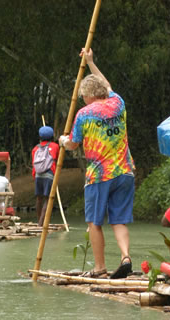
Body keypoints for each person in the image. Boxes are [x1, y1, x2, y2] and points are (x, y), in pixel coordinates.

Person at [58, 48, 136, 279]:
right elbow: (107, 85)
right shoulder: (118, 103)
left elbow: (73, 144)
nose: (82, 99)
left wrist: (63, 141)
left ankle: (100, 267)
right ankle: (125, 257)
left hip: (99, 175)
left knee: (94, 222)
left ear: (90, 94)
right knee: (119, 219)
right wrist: (91, 62)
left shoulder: (84, 113)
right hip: (124, 171)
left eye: (84, 95)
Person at [32, 126, 60, 226]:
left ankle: (39, 220)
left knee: (39, 199)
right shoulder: (55, 146)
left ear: (40, 136)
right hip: (49, 175)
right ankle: (41, 224)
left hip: (38, 175)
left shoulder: (35, 148)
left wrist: (34, 176)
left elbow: (34, 164)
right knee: (47, 199)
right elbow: (57, 159)